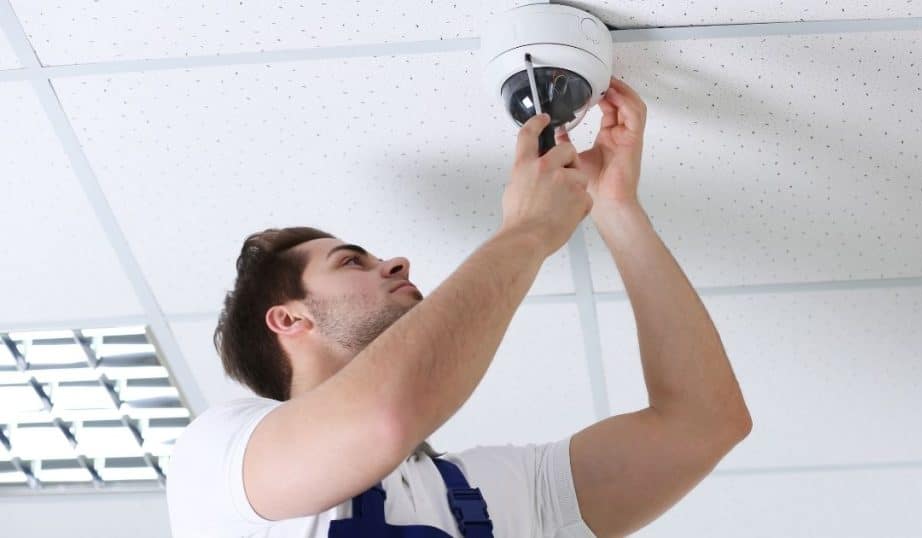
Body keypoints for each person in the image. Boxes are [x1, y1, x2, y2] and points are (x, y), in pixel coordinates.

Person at [166, 77, 752, 537]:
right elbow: (383, 417)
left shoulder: (493, 494)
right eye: (351, 262)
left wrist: (616, 207)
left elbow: (704, 424)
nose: (395, 264)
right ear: (289, 319)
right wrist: (525, 232)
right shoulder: (218, 462)